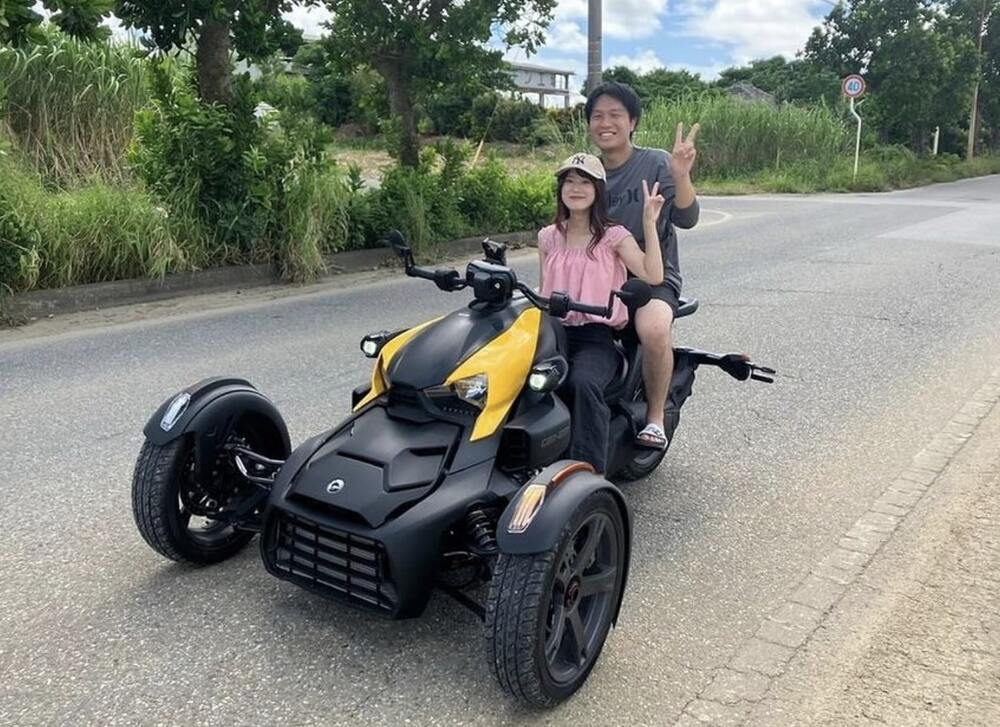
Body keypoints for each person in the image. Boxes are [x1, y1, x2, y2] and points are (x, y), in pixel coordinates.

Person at [585, 81, 701, 450]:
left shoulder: (655, 163)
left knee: (652, 329)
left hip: (652, 276)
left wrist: (680, 175)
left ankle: (655, 418)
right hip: (600, 274)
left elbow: (687, 218)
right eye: (597, 116)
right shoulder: (588, 171)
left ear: (632, 122)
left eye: (615, 115)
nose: (605, 123)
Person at [537, 152, 666, 475]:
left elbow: (652, 275)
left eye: (585, 182)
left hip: (595, 337)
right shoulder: (548, 236)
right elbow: (543, 290)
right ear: (560, 189)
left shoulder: (613, 236)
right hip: (552, 335)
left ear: (597, 190)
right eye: (569, 181)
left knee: (581, 382)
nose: (576, 188)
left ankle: (588, 474)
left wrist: (649, 223)